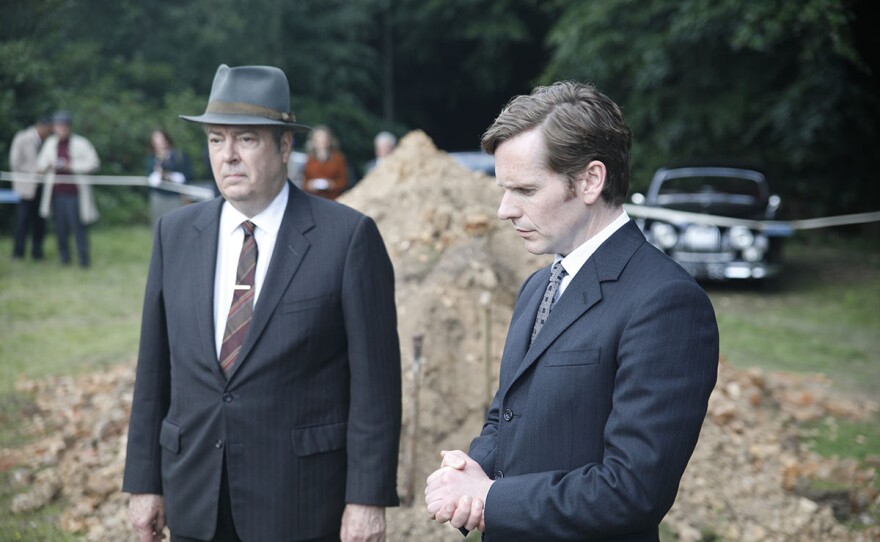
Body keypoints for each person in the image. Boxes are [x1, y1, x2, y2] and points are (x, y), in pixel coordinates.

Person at [424, 81, 719, 541]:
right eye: (504, 189)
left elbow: (633, 491)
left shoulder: (666, 302)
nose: (504, 210)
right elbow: (510, 414)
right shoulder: (539, 284)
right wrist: (470, 470)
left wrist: (490, 499)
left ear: (590, 180)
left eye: (524, 189)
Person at [123, 64, 401, 542]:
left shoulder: (347, 239)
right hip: (195, 498)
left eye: (246, 139)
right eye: (215, 140)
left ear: (285, 146)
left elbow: (376, 386)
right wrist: (145, 481)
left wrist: (367, 499)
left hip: (300, 504)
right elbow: (153, 372)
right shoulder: (175, 234)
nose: (227, 156)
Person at [36, 111, 100, 268]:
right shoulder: (50, 143)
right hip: (56, 193)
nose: (61, 129)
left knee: (78, 227)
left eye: (63, 126)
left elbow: (94, 163)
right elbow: (40, 165)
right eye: (58, 126)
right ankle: (64, 259)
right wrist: (49, 165)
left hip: (75, 194)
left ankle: (83, 259)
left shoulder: (81, 143)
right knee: (60, 228)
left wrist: (71, 166)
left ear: (69, 127)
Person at [9, 116, 52, 260]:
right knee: (22, 221)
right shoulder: (22, 138)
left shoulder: (48, 141)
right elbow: (15, 162)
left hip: (42, 187)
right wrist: (36, 170)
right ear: (41, 127)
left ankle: (37, 252)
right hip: (26, 188)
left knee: (39, 222)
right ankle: (18, 252)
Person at [146, 128, 193, 225]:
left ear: (167, 140)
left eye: (161, 141)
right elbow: (151, 180)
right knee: (158, 224)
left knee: (176, 223)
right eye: (156, 142)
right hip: (159, 197)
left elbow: (188, 175)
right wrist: (158, 172)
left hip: (175, 197)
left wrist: (170, 176)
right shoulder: (151, 159)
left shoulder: (179, 156)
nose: (159, 145)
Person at [302, 124, 349, 200]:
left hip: (333, 199)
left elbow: (344, 182)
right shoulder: (308, 159)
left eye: (323, 138)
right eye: (318, 138)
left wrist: (332, 185)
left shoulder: (338, 158)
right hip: (313, 199)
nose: (321, 141)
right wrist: (309, 185)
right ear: (313, 141)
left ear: (329, 140)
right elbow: (303, 182)